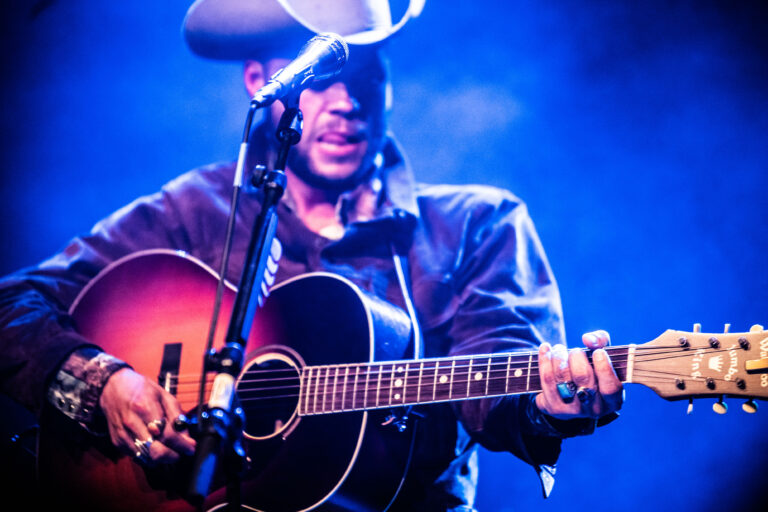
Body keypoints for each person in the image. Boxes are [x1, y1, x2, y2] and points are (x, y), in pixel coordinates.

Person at [0, 1, 623, 510]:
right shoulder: (197, 208)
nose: (347, 104)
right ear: (260, 83)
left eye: (367, 78)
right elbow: (12, 304)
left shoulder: (475, 223)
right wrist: (102, 382)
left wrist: (546, 406)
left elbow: (502, 377)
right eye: (325, 79)